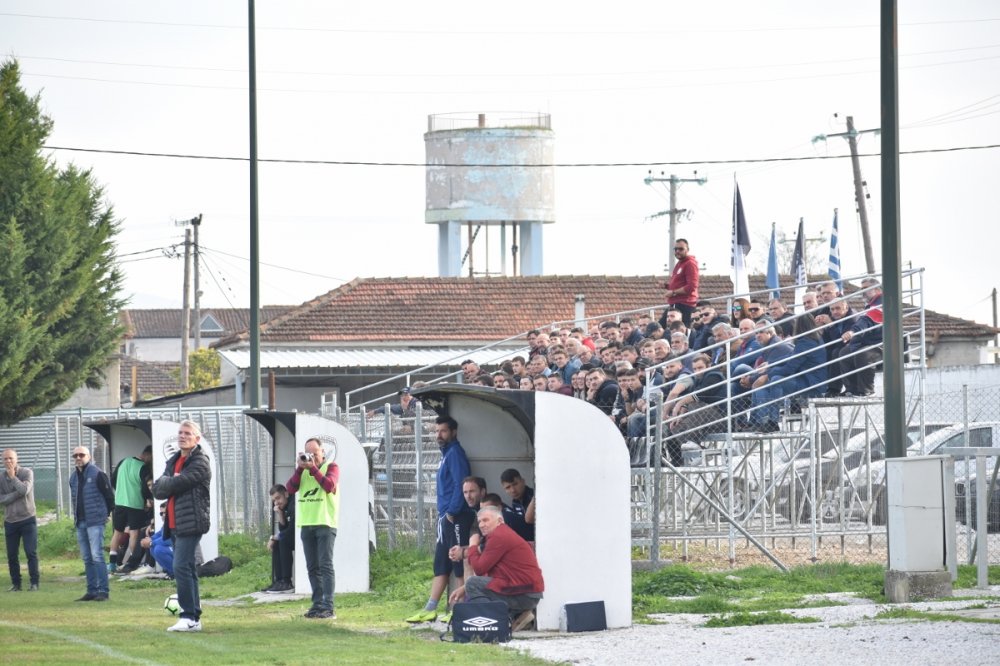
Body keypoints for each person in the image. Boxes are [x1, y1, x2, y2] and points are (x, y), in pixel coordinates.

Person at [406, 416, 471, 623]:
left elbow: (462, 484)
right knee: (441, 562)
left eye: (443, 431)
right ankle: (430, 608)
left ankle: (460, 608)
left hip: (455, 516)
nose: (438, 435)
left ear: (453, 432)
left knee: (457, 561)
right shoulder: (446, 454)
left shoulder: (455, 454)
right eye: (436, 431)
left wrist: (451, 512)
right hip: (446, 516)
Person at [153, 420, 212, 632]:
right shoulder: (174, 459)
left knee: (180, 566)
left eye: (187, 433)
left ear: (197, 438)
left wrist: (172, 481)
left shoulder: (200, 461)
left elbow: (180, 483)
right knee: (186, 568)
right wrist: (171, 481)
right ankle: (194, 617)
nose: (182, 436)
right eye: (180, 433)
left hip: (191, 523)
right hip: (174, 523)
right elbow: (158, 489)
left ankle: (188, 616)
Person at [447, 506, 545, 633]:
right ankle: (513, 617)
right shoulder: (499, 534)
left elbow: (480, 568)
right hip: (526, 592)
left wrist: (472, 546)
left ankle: (492, 625)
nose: (482, 525)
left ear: (500, 520)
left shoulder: (499, 535)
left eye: (486, 520)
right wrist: (464, 588)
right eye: (480, 521)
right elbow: (490, 573)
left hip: (525, 594)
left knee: (472, 583)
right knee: (472, 584)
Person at [286, 437, 340, 620]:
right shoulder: (303, 471)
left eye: (314, 453)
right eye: (308, 454)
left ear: (322, 452)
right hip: (307, 524)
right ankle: (317, 604)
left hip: (325, 523)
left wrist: (313, 468)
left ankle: (328, 606)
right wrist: (300, 468)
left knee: (325, 565)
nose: (311, 457)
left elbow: (329, 486)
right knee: (312, 567)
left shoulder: (331, 467)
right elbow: (290, 489)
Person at [69, 447, 115, 602]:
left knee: (97, 556)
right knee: (87, 558)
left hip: (95, 521)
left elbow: (109, 496)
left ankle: (103, 591)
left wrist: (107, 515)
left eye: (81, 455)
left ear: (88, 456)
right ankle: (91, 591)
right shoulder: (73, 478)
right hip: (80, 521)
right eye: (75, 455)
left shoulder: (98, 474)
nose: (78, 457)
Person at [109, 444, 153, 575]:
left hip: (119, 502)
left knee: (117, 532)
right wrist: (147, 499)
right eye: (151, 458)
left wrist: (120, 491)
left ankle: (112, 564)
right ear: (147, 455)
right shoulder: (143, 468)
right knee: (134, 533)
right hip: (135, 504)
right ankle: (134, 563)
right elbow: (146, 488)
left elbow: (113, 480)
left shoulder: (123, 461)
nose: (151, 461)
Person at [1, 449, 39, 592]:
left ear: (17, 459)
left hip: (27, 518)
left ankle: (34, 583)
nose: (8, 461)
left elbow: (24, 490)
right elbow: (1, 499)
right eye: (5, 459)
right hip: (10, 521)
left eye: (11, 458)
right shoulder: (1, 478)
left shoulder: (27, 472)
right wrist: (15, 494)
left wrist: (13, 478)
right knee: (12, 555)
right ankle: (16, 584)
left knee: (31, 552)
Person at [839, 278, 884, 397]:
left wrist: (853, 332)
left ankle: (867, 390)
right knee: (844, 353)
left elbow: (867, 321)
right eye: (862, 288)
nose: (862, 291)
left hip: (882, 344)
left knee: (863, 354)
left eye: (866, 288)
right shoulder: (870, 304)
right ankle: (852, 389)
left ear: (877, 289)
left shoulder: (881, 301)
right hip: (869, 342)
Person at [263, 484, 295, 593]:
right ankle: (279, 581)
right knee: (278, 542)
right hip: (292, 536)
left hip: (304, 537)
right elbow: (283, 528)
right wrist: (280, 513)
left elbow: (291, 530)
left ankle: (287, 582)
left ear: (286, 494)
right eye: (274, 500)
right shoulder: (284, 507)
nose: (276, 502)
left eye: (278, 498)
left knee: (282, 541)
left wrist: (274, 537)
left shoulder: (293, 504)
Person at [661, 238, 699, 326]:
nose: (677, 251)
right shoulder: (680, 263)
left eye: (681, 249)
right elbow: (679, 284)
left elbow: (692, 286)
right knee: (663, 328)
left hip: (684, 305)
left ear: (687, 250)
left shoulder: (690, 263)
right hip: (677, 304)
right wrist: (666, 286)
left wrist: (673, 292)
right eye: (675, 249)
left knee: (663, 328)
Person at [500, 468, 535, 543]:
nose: (513, 490)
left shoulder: (534, 496)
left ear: (523, 481)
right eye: (508, 487)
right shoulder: (515, 502)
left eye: (515, 484)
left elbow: (529, 520)